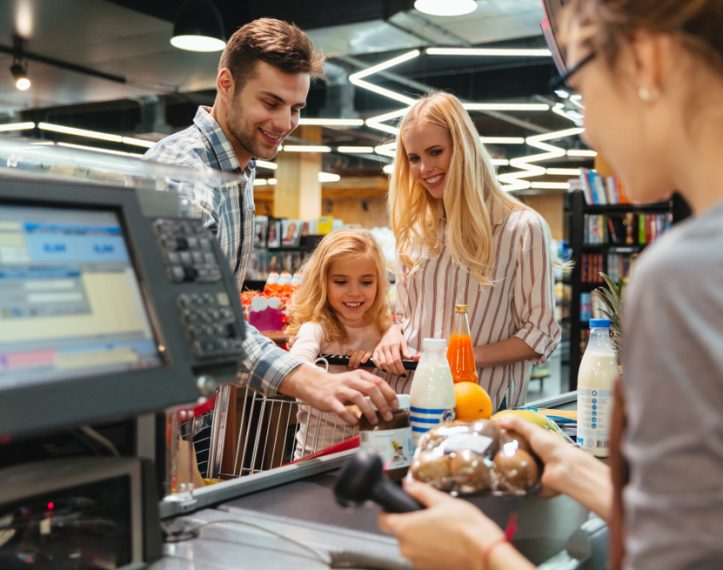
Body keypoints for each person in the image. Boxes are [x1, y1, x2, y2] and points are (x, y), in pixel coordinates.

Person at [380, 1, 723, 569]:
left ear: (647, 61)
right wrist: (590, 479)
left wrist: (479, 554)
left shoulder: (694, 275)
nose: (588, 125)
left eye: (581, 84)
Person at [144, 18, 396, 426]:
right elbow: (194, 315)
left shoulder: (238, 168)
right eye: (271, 103)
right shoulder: (184, 177)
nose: (285, 124)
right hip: (149, 408)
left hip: (186, 406)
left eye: (296, 108)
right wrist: (306, 379)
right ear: (226, 83)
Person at [373, 92, 561, 409]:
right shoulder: (416, 231)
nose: (424, 168)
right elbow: (406, 316)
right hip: (412, 397)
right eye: (414, 158)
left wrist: (463, 357)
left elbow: (541, 333)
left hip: (479, 404)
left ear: (464, 149)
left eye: (436, 152)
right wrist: (392, 333)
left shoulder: (520, 229)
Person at [286, 229, 410, 458]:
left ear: (379, 283)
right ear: (322, 283)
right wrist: (342, 380)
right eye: (341, 282)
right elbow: (295, 364)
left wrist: (375, 360)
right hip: (317, 456)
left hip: (375, 453)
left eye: (366, 282)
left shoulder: (384, 332)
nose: (355, 292)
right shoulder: (316, 329)